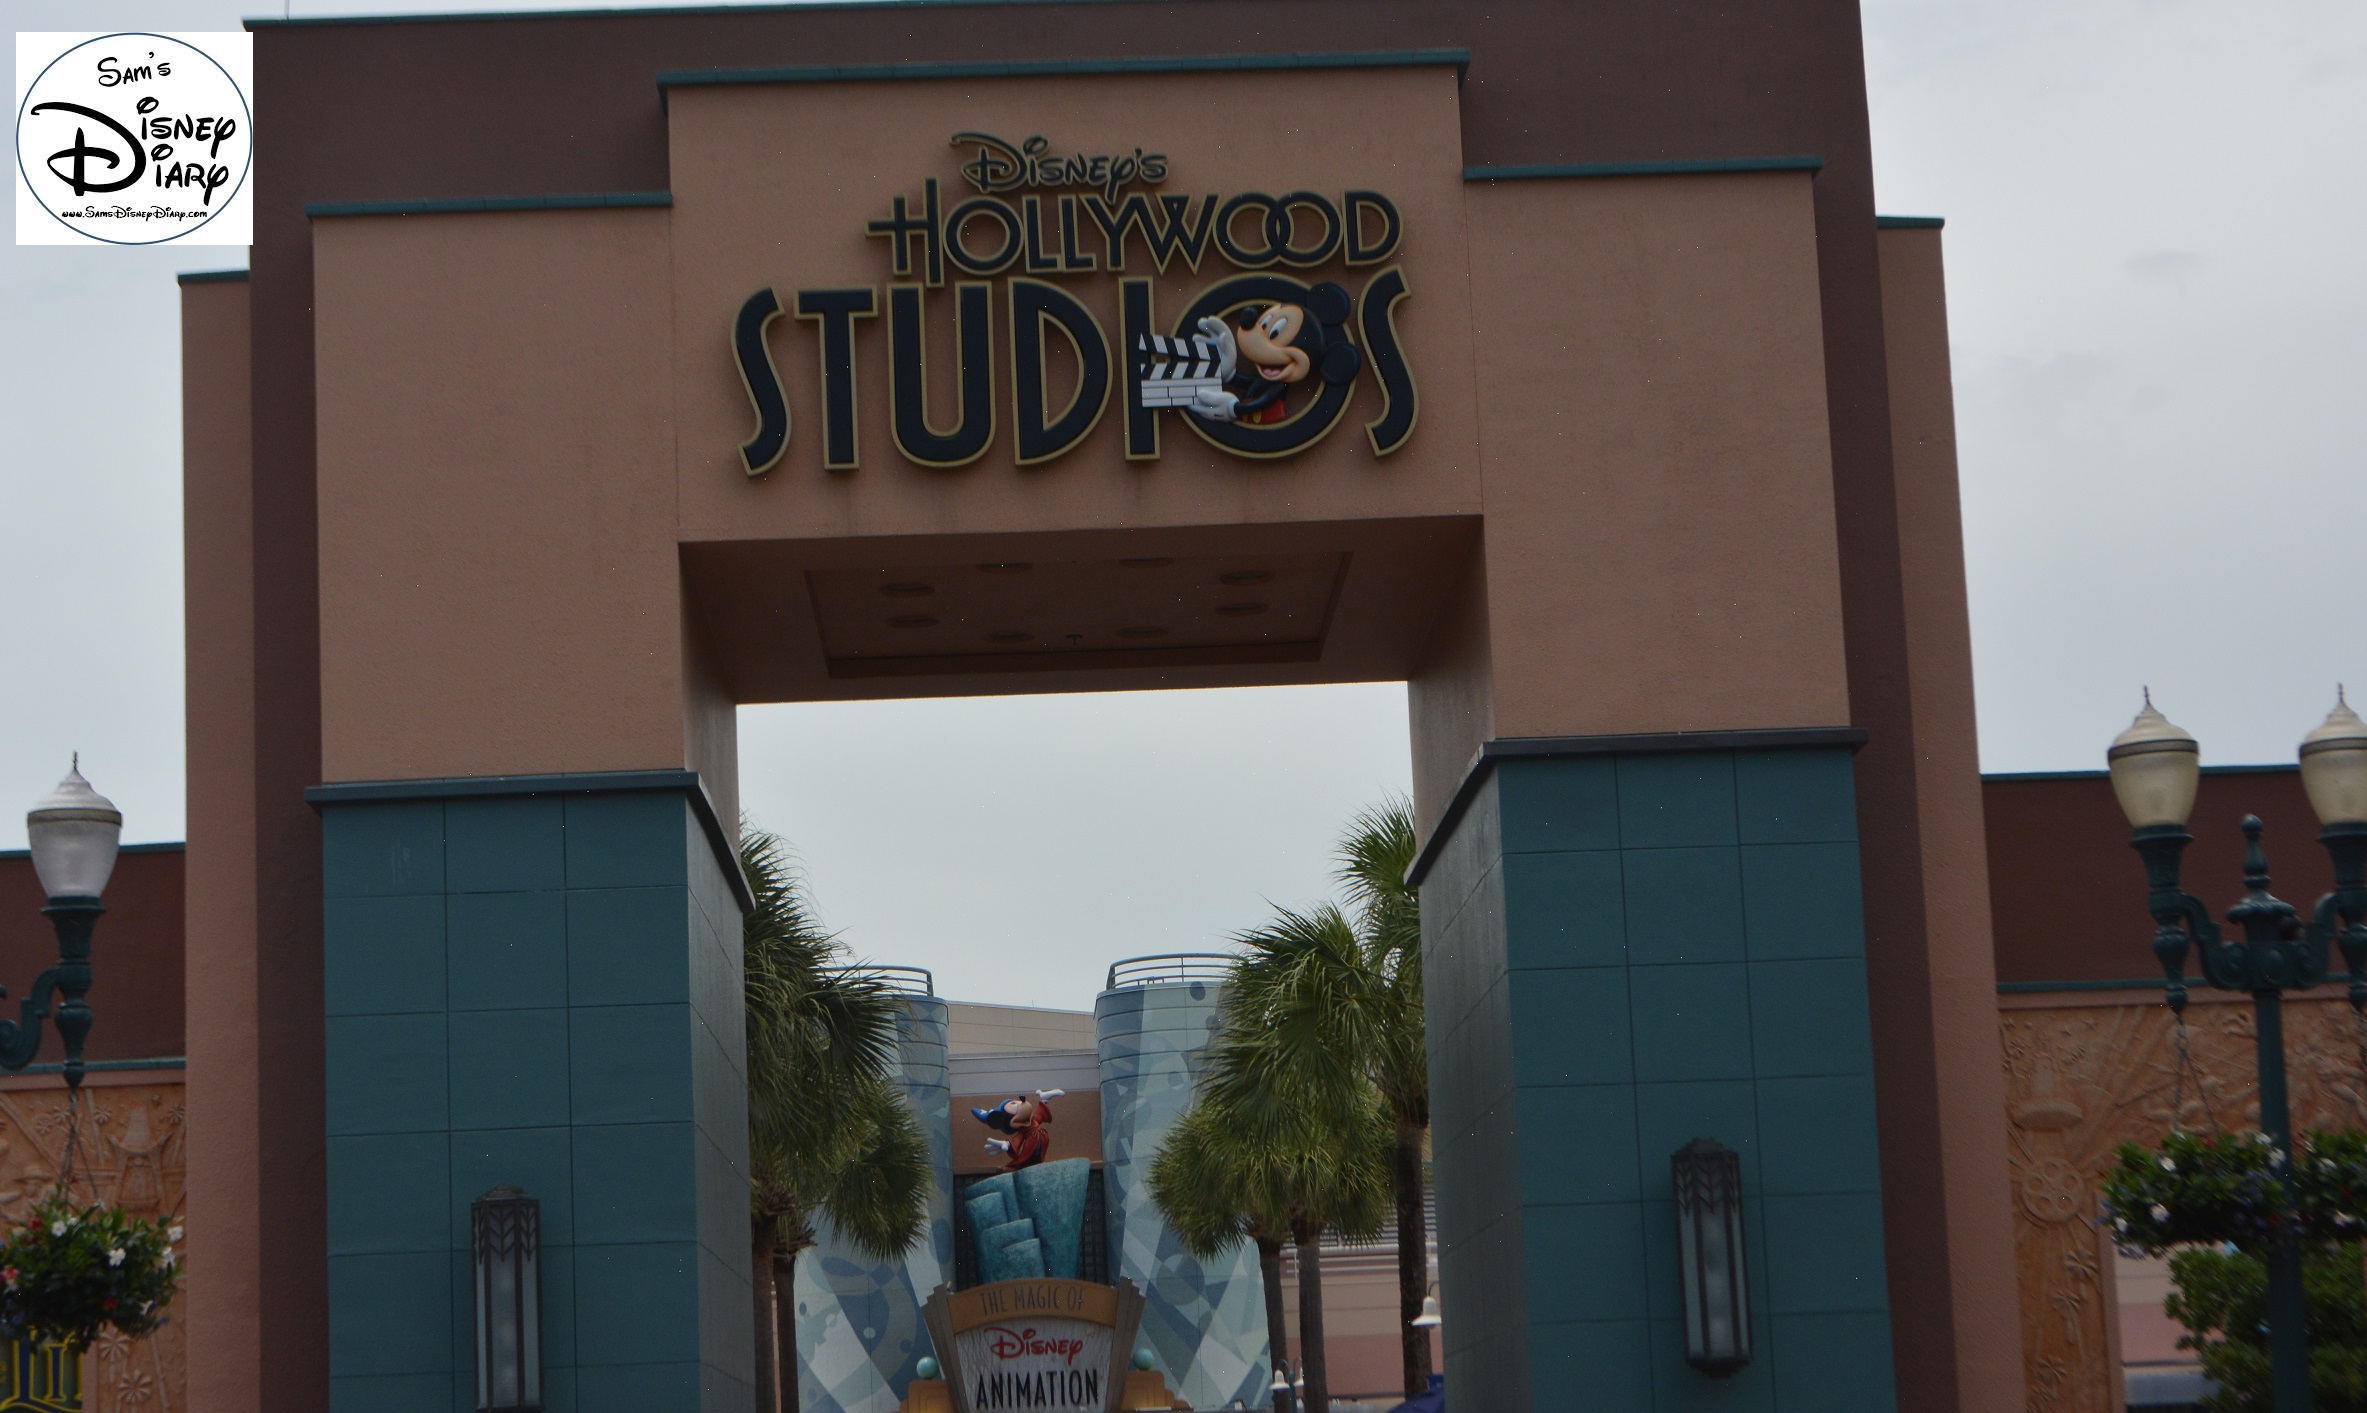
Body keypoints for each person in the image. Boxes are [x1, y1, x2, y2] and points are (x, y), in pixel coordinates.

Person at [971, 1088, 1063, 1171]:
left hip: (1041, 1142)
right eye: (1014, 1104)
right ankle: (1015, 1168)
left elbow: (1039, 1115)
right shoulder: (1023, 1131)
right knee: (1025, 1158)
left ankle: (1035, 1165)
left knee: (1036, 1159)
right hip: (1032, 1146)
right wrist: (1007, 1144)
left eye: (1016, 1102)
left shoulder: (1033, 1122)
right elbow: (1017, 1140)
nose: (1022, 1102)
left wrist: (1044, 1100)